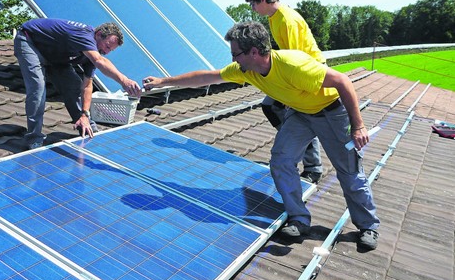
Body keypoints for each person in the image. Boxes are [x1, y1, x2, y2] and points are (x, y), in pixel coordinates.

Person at [143, 21, 380, 250]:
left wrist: (358, 125)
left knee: (348, 171)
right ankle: (298, 218)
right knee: (281, 160)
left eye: (236, 54)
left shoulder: (292, 65)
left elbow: (342, 81)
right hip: (300, 113)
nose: (233, 59)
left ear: (254, 52)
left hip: (330, 113)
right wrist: (163, 82)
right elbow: (206, 77)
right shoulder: (246, 70)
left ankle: (368, 226)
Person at [14, 18, 141, 149]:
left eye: (111, 50)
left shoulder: (91, 53)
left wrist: (85, 113)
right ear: (98, 35)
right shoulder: (84, 35)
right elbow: (99, 61)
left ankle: (86, 126)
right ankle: (34, 139)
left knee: (73, 85)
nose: (107, 52)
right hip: (31, 42)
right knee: (38, 88)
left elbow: (87, 85)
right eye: (107, 46)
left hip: (55, 56)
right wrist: (124, 80)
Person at [245, 0, 325, 184]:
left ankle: (313, 168)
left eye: (253, 4)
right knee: (270, 107)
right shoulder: (275, 17)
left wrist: (291, 92)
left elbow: (298, 59)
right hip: (296, 72)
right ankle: (294, 147)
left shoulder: (286, 20)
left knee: (299, 117)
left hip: (309, 73)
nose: (253, 9)